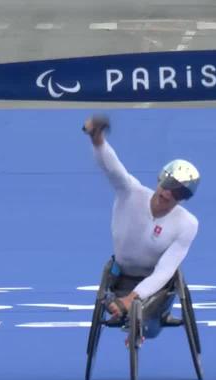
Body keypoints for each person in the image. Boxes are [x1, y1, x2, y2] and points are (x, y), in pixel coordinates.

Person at [82, 115, 200, 345]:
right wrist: (98, 141)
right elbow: (113, 169)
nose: (168, 194)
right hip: (121, 276)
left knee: (149, 322)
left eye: (178, 193)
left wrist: (132, 299)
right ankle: (130, 319)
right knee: (120, 307)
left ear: (183, 199)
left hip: (157, 286)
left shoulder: (188, 224)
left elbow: (164, 272)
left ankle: (140, 325)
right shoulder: (131, 192)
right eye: (168, 186)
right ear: (160, 180)